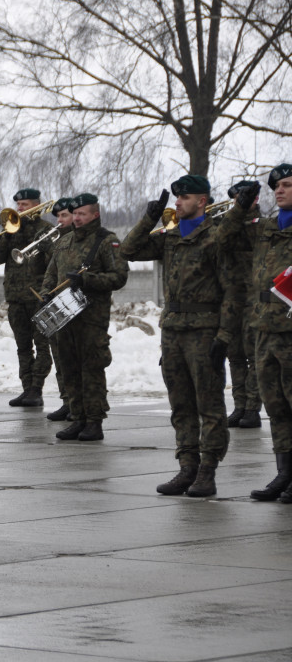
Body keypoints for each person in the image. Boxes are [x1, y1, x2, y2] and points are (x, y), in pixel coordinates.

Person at [121, 175, 237, 496]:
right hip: (172, 331)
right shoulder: (171, 236)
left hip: (204, 332)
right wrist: (149, 217)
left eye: (184, 198)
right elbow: (129, 250)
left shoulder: (216, 237)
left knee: (209, 405)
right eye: (176, 198)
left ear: (202, 201)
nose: (177, 203)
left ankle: (208, 472)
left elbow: (231, 291)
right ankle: (187, 468)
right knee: (180, 403)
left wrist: (224, 337)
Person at [216, 164, 292, 502]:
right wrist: (240, 206)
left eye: (287, 186)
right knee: (276, 406)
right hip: (264, 327)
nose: (280, 191)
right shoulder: (265, 226)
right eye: (276, 186)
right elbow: (222, 237)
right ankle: (284, 474)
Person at [41, 193, 129, 442]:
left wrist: (88, 280)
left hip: (91, 317)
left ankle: (94, 421)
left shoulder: (106, 241)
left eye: (82, 214)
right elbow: (52, 273)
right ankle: (77, 418)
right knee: (69, 369)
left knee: (91, 369)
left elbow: (119, 277)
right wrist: (47, 292)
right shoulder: (65, 241)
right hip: (64, 316)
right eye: (75, 214)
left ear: (94, 215)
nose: (77, 218)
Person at [0, 188, 54, 407]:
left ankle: (37, 388)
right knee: (23, 347)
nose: (20, 209)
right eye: (18, 205)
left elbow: (55, 262)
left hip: (39, 297)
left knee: (43, 345)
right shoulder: (11, 229)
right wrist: (7, 235)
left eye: (24, 205)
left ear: (36, 204)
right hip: (15, 298)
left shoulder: (47, 230)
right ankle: (27, 389)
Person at [222, 181, 263, 430]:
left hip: (253, 300)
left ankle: (252, 408)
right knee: (234, 355)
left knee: (253, 356)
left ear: (255, 199)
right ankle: (239, 406)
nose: (239, 202)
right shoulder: (228, 224)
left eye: (243, 198)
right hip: (231, 298)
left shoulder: (261, 225)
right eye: (237, 198)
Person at [43, 197, 76, 421]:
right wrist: (45, 293)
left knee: (74, 358)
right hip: (57, 303)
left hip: (77, 303)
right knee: (58, 354)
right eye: (58, 216)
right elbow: (49, 271)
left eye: (64, 215)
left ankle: (78, 404)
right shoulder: (56, 241)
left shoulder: (83, 240)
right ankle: (66, 400)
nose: (59, 220)